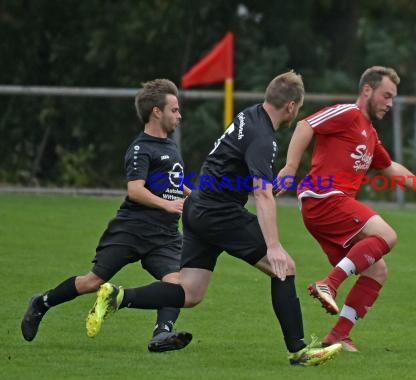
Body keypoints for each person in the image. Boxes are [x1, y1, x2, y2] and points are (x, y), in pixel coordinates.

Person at [84, 71, 343, 366]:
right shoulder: (264, 137)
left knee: (191, 292)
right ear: (292, 107)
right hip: (220, 213)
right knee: (284, 267)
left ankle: (117, 296)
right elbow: (261, 196)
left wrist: (270, 186)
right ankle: (299, 351)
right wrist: (273, 246)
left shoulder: (249, 115)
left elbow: (240, 173)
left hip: (198, 208)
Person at [275, 66, 416, 352]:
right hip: (324, 196)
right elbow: (305, 125)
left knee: (377, 271)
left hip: (325, 208)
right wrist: (291, 166)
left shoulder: (369, 133)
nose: (390, 103)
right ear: (367, 90)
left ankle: (338, 336)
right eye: (386, 95)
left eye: (393, 98)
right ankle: (330, 284)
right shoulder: (348, 113)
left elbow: (390, 167)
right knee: (387, 235)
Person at [21, 78, 193, 352]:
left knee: (179, 284)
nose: (179, 115)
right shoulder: (140, 149)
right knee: (93, 282)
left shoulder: (171, 147)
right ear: (156, 112)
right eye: (174, 110)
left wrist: (190, 195)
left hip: (164, 235)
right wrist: (166, 205)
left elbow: (172, 181)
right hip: (132, 230)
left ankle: (162, 333)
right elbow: (135, 190)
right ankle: (42, 302)